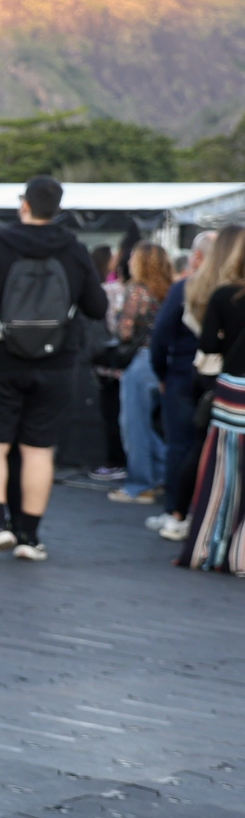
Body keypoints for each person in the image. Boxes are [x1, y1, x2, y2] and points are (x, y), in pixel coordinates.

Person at [0, 175, 108, 560]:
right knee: (39, 449)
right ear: (57, 208)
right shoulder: (73, 249)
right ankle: (29, 536)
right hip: (56, 361)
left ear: (24, 204)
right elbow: (97, 307)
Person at [162, 229, 245, 542]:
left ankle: (180, 514)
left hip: (211, 376)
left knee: (199, 447)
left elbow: (201, 341)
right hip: (229, 379)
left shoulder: (201, 288)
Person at [180, 244, 245, 573]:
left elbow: (207, 345)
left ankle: (210, 548)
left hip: (233, 389)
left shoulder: (224, 295)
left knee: (224, 476)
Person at [104, 240, 173, 505]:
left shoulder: (137, 290)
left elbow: (124, 331)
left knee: (134, 425)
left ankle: (141, 485)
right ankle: (163, 474)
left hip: (141, 361)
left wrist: (116, 319)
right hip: (166, 359)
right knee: (150, 426)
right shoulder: (171, 289)